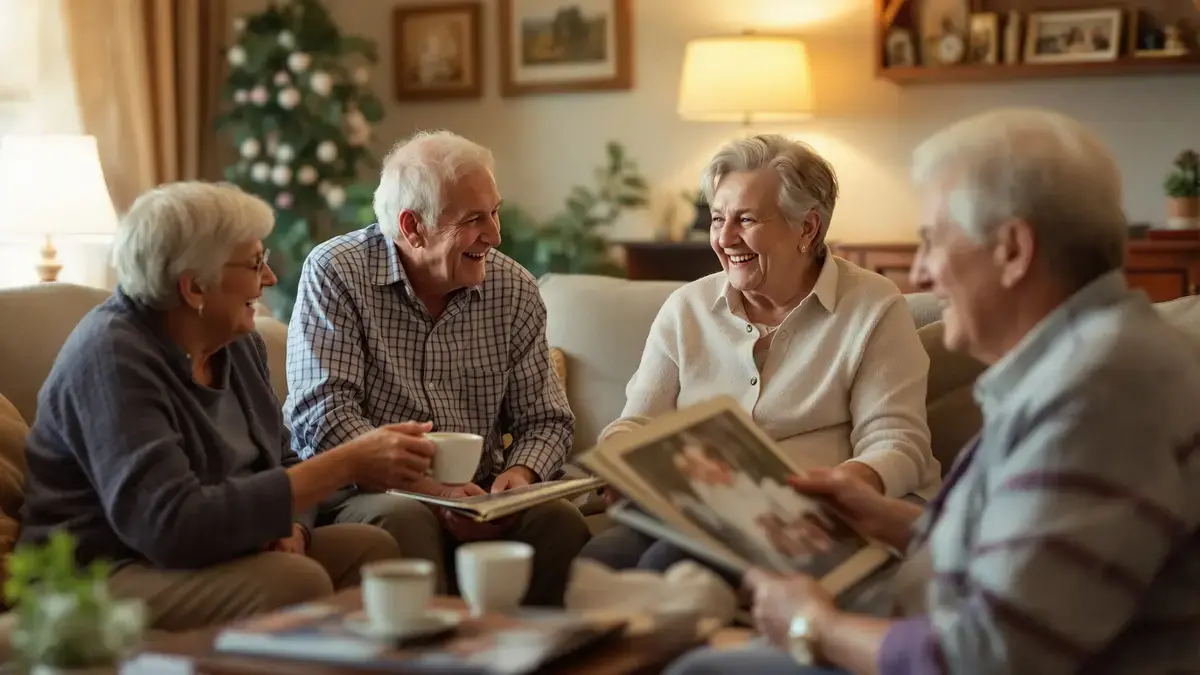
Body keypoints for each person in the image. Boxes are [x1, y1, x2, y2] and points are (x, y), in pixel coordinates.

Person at [664, 108, 1200, 674]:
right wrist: (885, 517)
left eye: (933, 241)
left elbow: (987, 658)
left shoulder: (1099, 396)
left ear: (1013, 250)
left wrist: (815, 626)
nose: (921, 273)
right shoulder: (1086, 360)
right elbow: (1029, 547)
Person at [18, 182, 436, 632]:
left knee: (372, 550)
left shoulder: (237, 344)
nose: (271, 278)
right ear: (195, 286)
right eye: (255, 263)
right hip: (104, 570)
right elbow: (169, 525)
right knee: (295, 581)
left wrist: (289, 528)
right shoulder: (112, 357)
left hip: (211, 548)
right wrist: (345, 463)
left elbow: (284, 460)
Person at [581, 134, 941, 572]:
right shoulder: (687, 308)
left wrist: (841, 487)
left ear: (806, 228)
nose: (725, 238)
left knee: (669, 564)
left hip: (810, 519)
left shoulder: (873, 305)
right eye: (717, 219)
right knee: (598, 558)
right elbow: (638, 421)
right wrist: (620, 460)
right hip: (697, 508)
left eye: (746, 219)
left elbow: (896, 441)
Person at [284, 130, 589, 606]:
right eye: (473, 220)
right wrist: (427, 490)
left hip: (482, 494)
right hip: (369, 492)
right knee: (403, 518)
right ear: (412, 227)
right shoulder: (336, 272)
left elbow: (545, 419)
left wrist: (520, 479)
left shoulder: (514, 289)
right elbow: (322, 413)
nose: (495, 234)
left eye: (495, 212)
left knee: (560, 521)